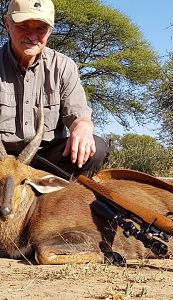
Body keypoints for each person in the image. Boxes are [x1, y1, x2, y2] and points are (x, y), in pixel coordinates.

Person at [0, 0, 110, 179]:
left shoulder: (64, 66)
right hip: (2, 159)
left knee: (95, 149)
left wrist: (83, 127)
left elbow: (79, 116)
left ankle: (64, 203)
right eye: (24, 26)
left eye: (41, 29)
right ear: (7, 23)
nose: (32, 35)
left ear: (50, 31)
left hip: (46, 158)